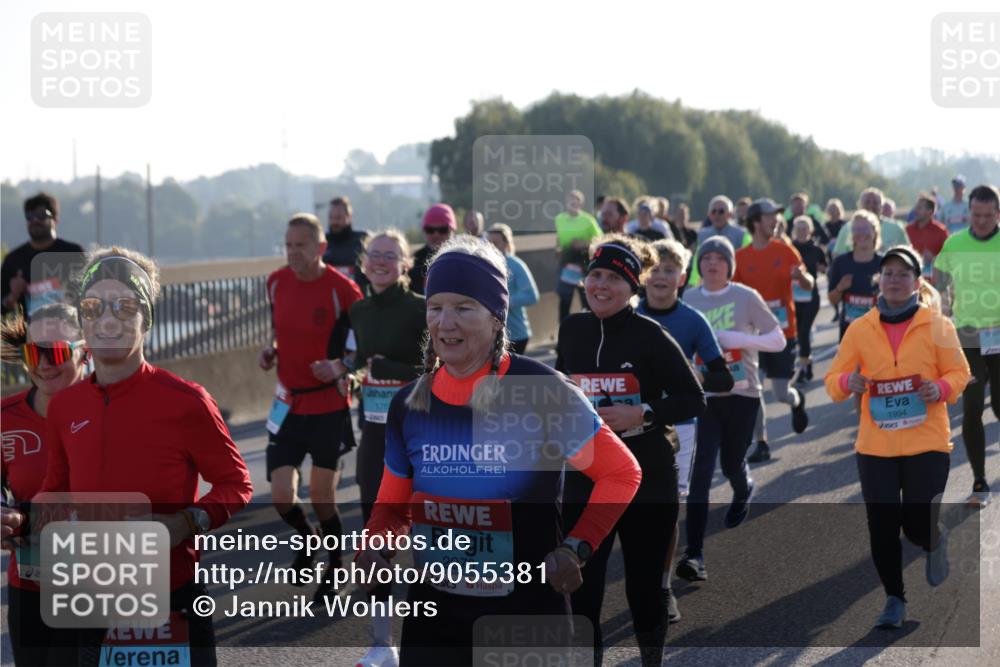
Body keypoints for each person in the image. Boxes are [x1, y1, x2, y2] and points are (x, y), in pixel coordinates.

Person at [356, 236, 643, 666]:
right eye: (436, 308)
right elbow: (392, 507)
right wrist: (376, 544)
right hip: (433, 618)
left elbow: (621, 473)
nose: (445, 322)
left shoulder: (543, 391)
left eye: (464, 308)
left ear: (497, 318)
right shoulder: (409, 403)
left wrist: (577, 546)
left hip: (524, 615)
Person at [1, 246, 253, 666]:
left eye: (125, 306)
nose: (108, 319)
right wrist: (21, 522)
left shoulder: (187, 401)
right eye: (95, 307)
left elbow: (236, 485)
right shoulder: (66, 406)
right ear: (83, 319)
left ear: (146, 319)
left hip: (170, 597)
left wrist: (185, 521)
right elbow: (56, 492)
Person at [558, 234, 706, 665]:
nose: (601, 285)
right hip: (586, 478)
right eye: (595, 275)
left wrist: (642, 412)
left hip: (647, 475)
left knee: (644, 588)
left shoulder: (652, 336)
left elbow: (694, 399)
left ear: (632, 288)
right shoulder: (572, 329)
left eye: (614, 279)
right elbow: (559, 387)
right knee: (581, 589)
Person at [825, 246, 970, 628]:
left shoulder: (938, 325)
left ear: (917, 282)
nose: (893, 280)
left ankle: (933, 537)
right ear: (879, 279)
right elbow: (832, 382)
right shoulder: (860, 328)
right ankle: (894, 598)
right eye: (887, 273)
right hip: (876, 446)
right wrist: (847, 380)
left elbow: (959, 373)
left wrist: (939, 388)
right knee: (882, 522)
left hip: (927, 442)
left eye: (902, 274)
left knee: (917, 522)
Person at [259, 213, 363, 603]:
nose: (292, 252)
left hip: (328, 405)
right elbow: (281, 328)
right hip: (288, 402)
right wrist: (272, 351)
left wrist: (341, 365)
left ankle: (335, 568)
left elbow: (363, 346)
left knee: (323, 495)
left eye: (300, 245)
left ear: (320, 248)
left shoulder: (343, 289)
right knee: (282, 495)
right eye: (287, 245)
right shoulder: (275, 282)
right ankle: (308, 537)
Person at [638, 239, 734, 625]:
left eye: (669, 269)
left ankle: (662, 588)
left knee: (663, 510)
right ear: (643, 275)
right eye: (655, 269)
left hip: (680, 426)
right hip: (624, 424)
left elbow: (724, 378)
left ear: (682, 277)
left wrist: (697, 376)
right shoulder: (622, 315)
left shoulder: (694, 321)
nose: (661, 276)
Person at [678, 236, 785, 580]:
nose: (711, 263)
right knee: (700, 473)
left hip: (743, 393)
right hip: (704, 397)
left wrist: (740, 340)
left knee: (731, 463)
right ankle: (694, 554)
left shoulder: (745, 297)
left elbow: (777, 338)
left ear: (729, 265)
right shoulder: (689, 298)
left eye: (719, 258)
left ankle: (743, 487)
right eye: (705, 257)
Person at [345, 230, 426, 667]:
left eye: (390, 255)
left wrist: (390, 368)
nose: (380, 262)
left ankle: (436, 633)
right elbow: (361, 363)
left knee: (431, 533)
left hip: (420, 431)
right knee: (375, 537)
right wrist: (354, 376)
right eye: (373, 255)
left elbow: (435, 368)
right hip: (374, 432)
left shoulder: (419, 308)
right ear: (363, 261)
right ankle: (382, 643)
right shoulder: (358, 309)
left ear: (406, 263)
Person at [1, 304, 88, 667]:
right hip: (29, 583)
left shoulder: (117, 409)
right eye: (33, 352)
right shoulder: (6, 416)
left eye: (57, 350)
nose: (44, 363)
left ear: (86, 350)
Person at [934, 184, 1000, 507]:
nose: (982, 221)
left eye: (989, 215)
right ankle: (979, 481)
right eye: (976, 214)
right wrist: (942, 313)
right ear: (969, 212)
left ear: (998, 213)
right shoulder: (955, 243)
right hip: (969, 338)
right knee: (972, 408)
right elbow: (940, 282)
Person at [734, 198, 813, 464]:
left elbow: (810, 283)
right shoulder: (740, 258)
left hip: (782, 331)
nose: (777, 220)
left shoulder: (784, 250)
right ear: (756, 221)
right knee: (754, 389)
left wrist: (801, 278)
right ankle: (762, 442)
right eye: (770, 216)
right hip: (753, 335)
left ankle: (797, 400)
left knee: (780, 392)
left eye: (777, 215)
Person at [1, 192, 85, 316]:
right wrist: (13, 296)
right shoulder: (13, 260)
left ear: (55, 220)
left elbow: (89, 296)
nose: (35, 220)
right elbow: (2, 308)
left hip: (70, 331)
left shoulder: (73, 253)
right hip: (30, 333)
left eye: (41, 215)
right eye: (29, 216)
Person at [828, 211, 883, 340]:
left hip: (878, 335)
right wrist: (840, 288)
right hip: (849, 334)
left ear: (875, 232)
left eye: (865, 229)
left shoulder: (885, 263)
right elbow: (833, 300)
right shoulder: (840, 263)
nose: (861, 234)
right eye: (856, 230)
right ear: (852, 235)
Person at [488, 223, 539, 354]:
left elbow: (532, 296)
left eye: (495, 242)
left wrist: (503, 302)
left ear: (506, 243)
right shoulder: (484, 266)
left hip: (516, 335)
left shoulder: (516, 265)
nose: (491, 247)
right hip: (491, 336)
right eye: (488, 242)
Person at [790, 216, 828, 385]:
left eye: (805, 228)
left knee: (804, 332)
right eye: (799, 228)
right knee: (799, 333)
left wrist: (822, 268)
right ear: (794, 231)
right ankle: (807, 364)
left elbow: (825, 268)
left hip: (811, 297)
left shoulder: (816, 250)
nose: (802, 231)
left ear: (810, 231)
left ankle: (804, 369)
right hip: (793, 297)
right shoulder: (790, 249)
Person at [554, 190, 602, 322]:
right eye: (571, 200)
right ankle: (563, 334)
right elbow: (559, 237)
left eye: (576, 200)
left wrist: (584, 243)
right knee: (564, 299)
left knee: (586, 299)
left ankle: (590, 330)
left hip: (583, 263)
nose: (573, 203)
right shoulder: (559, 219)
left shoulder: (588, 220)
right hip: (566, 262)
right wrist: (558, 248)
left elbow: (601, 239)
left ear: (581, 203)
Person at [833, 187, 909, 255]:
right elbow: (837, 255)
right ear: (859, 205)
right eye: (867, 202)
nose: (871, 206)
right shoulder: (847, 229)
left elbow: (907, 254)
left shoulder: (896, 229)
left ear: (882, 206)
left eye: (875, 203)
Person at [323, 195, 371, 293]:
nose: (334, 222)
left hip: (357, 301)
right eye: (331, 217)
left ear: (349, 216)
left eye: (338, 217)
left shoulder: (362, 240)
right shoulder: (321, 242)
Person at [409, 204, 456, 295]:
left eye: (443, 230)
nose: (436, 235)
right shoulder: (414, 261)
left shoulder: (463, 260)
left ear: (453, 231)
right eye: (430, 230)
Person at [905, 193, 949, 278]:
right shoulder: (907, 230)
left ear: (930, 212)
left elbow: (949, 259)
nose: (915, 210)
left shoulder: (941, 231)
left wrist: (934, 259)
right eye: (916, 207)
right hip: (911, 280)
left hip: (933, 282)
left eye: (919, 208)